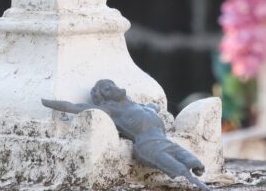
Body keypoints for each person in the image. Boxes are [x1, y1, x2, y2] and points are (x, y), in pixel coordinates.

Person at [42, 79, 210, 191]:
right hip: (149, 146)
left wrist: (154, 107)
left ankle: (196, 171)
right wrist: (47, 102)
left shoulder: (136, 105)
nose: (114, 88)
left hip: (164, 140)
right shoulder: (112, 109)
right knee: (180, 170)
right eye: (108, 89)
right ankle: (198, 185)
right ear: (103, 97)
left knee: (192, 160)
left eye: (112, 85)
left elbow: (153, 108)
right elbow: (73, 107)